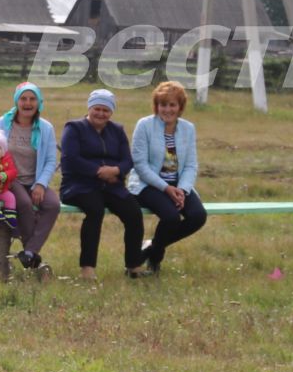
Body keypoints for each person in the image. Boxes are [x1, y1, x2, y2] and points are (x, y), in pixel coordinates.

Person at [59, 89, 141, 280]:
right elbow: (70, 159)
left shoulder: (117, 131)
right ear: (90, 108)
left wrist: (115, 171)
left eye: (106, 110)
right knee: (95, 210)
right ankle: (87, 268)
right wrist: (99, 171)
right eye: (97, 108)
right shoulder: (74, 128)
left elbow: (127, 160)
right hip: (78, 185)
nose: (101, 114)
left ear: (111, 112)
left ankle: (134, 265)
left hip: (111, 185)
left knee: (133, 212)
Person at [129, 80, 208, 277]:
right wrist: (166, 189)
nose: (167, 109)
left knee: (198, 216)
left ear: (180, 107)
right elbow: (140, 165)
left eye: (172, 105)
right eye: (163, 104)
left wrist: (182, 189)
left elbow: (190, 165)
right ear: (156, 106)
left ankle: (151, 247)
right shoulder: (144, 125)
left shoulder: (188, 128)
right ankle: (155, 259)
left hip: (178, 184)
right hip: (148, 183)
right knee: (171, 217)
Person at [0, 83, 59, 273]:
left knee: (53, 204)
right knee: (24, 203)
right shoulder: (2, 124)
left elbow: (51, 160)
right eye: (23, 99)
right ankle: (32, 255)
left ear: (38, 103)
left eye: (32, 99)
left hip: (34, 179)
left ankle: (29, 251)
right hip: (9, 179)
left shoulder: (45, 128)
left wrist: (40, 184)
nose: (27, 103)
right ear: (16, 101)